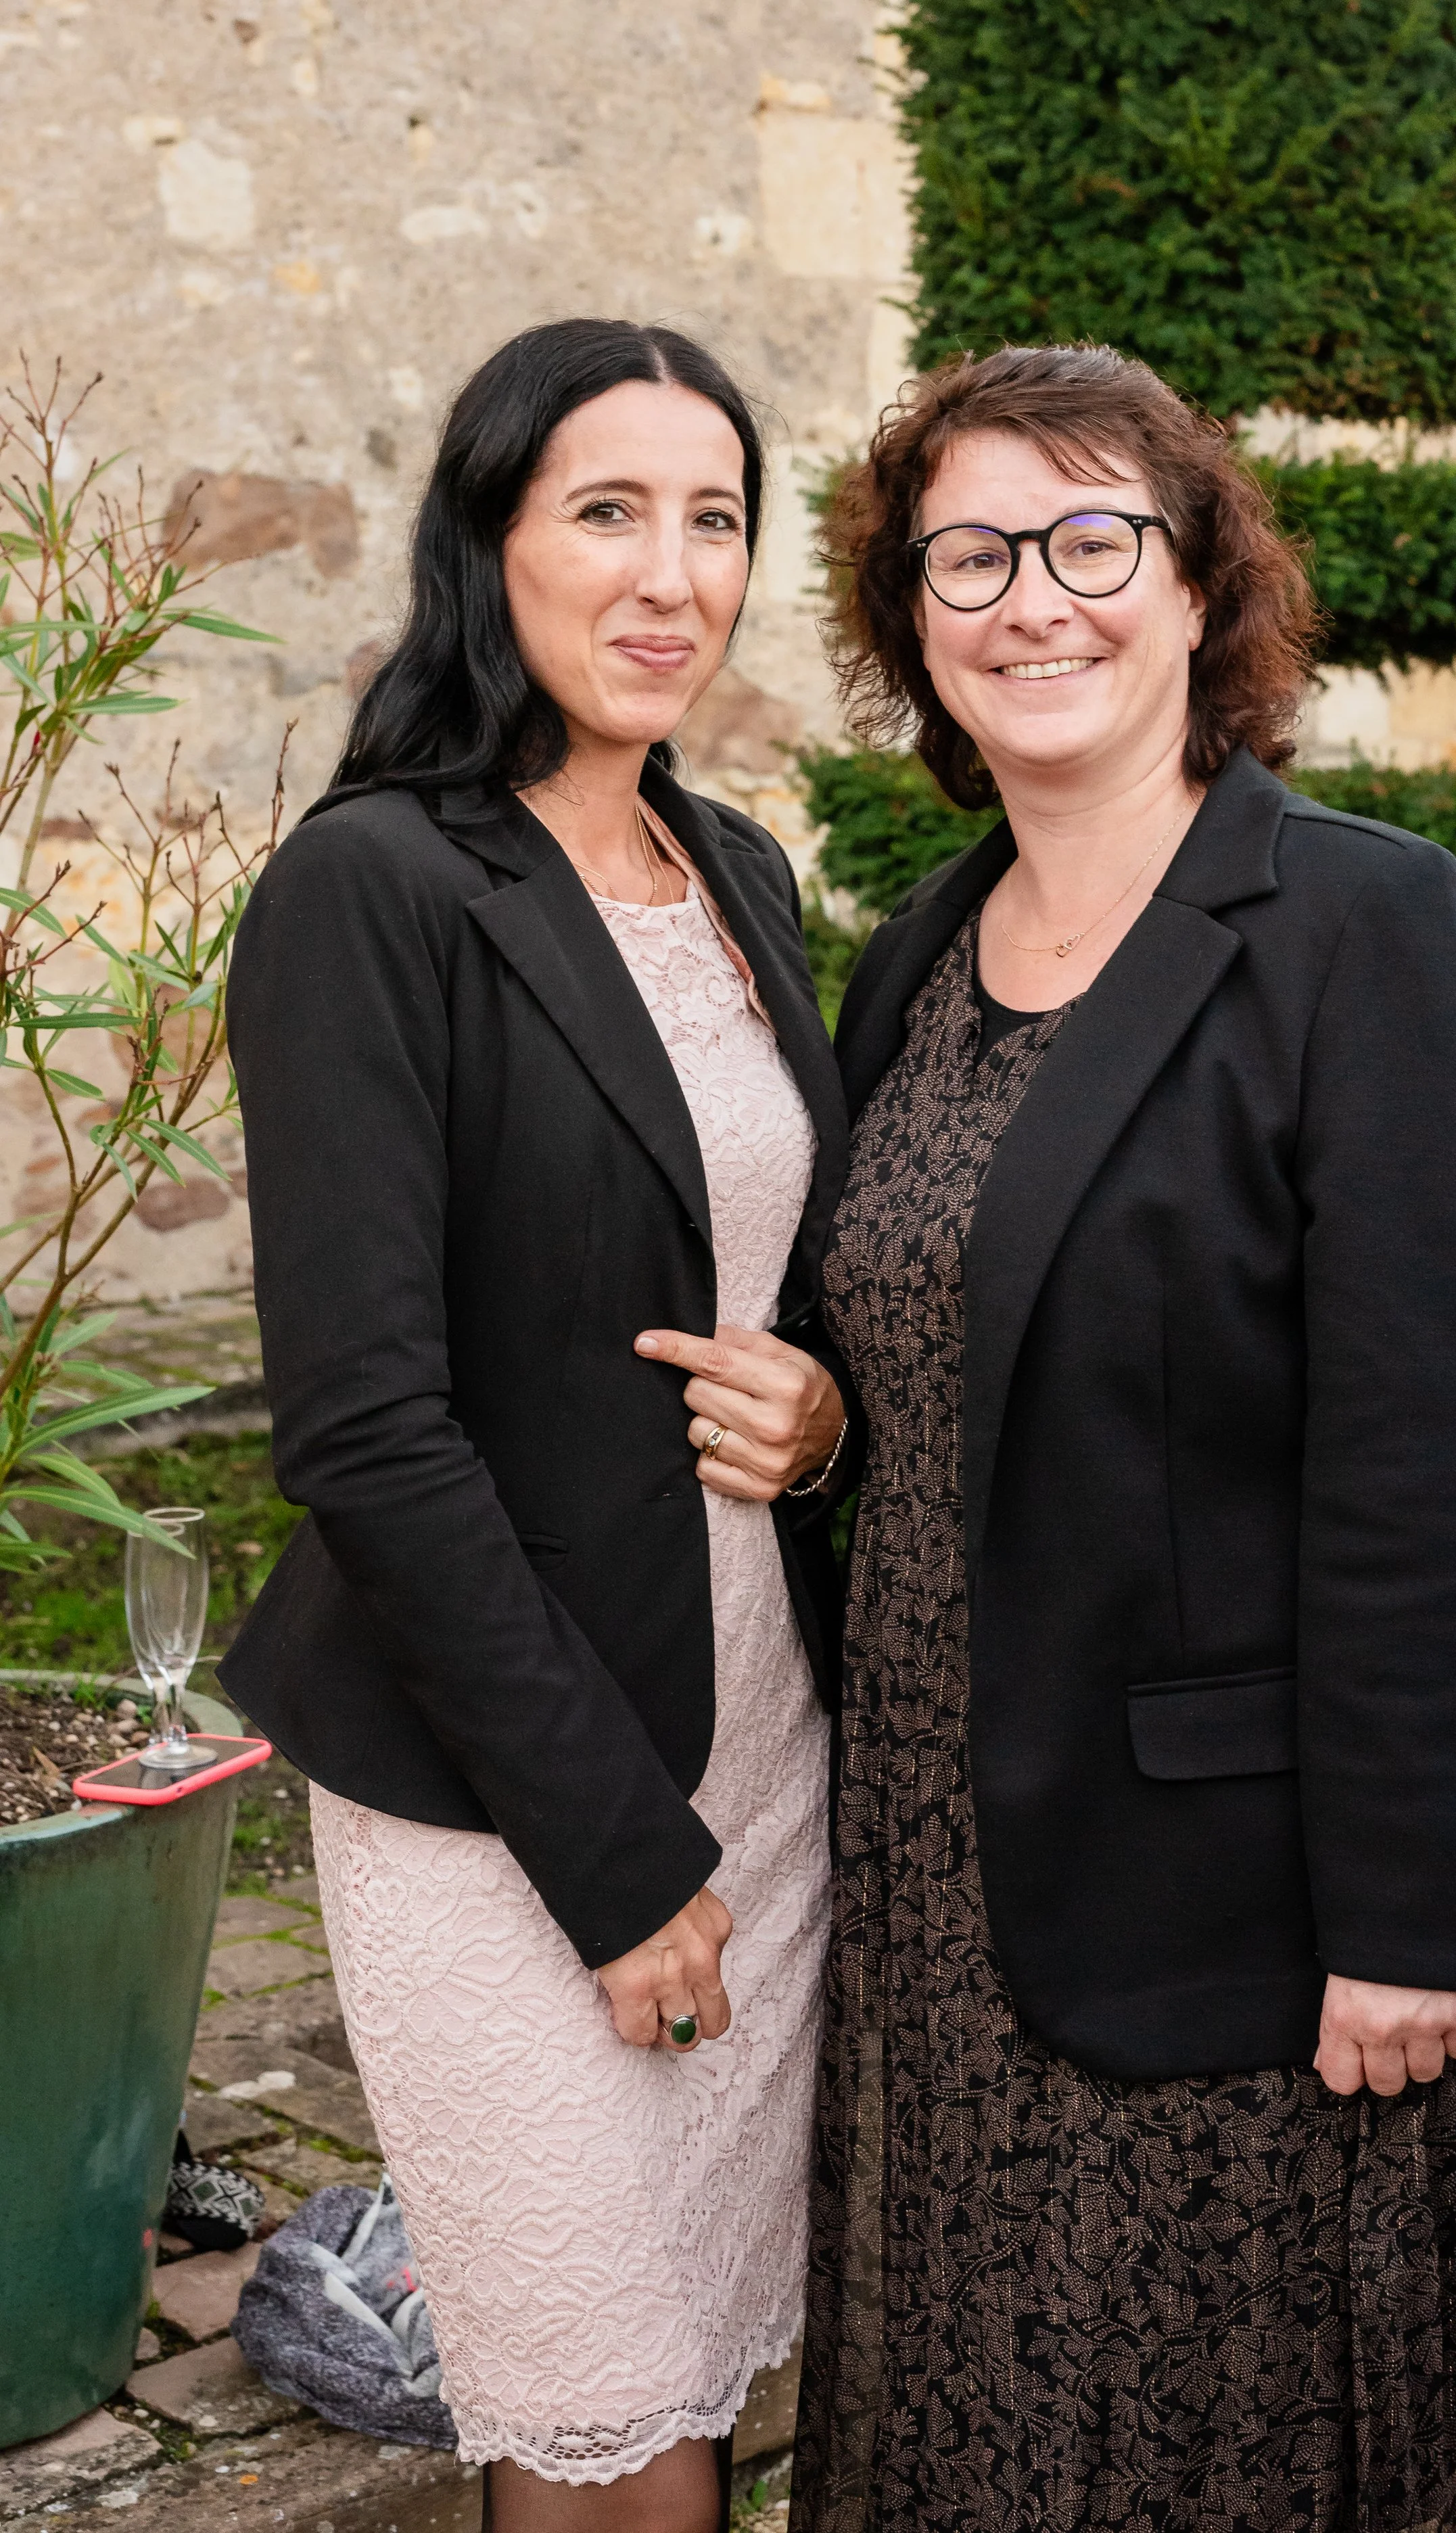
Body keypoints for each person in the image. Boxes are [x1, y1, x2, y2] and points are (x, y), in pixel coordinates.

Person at [791, 344, 1456, 2533]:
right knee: (978, 2440)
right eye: (970, 553)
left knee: (1221, 2458)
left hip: (1243, 1906)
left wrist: (1407, 1912)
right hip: (938, 1880)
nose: (1033, 597)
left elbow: (1425, 1459)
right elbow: (954, 1359)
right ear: (912, 623)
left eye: (1090, 537)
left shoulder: (1356, 926)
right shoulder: (913, 961)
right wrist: (827, 1421)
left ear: (1201, 584)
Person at [225, 319, 852, 2533]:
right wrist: (615, 1858)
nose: (670, 572)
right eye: (607, 510)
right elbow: (369, 1430)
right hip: (511, 1799)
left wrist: (826, 1407)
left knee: (691, 2374)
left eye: (713, 519)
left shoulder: (746, 878)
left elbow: (790, 1280)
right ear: (486, 544)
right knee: (600, 2417)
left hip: (769, 1751)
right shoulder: (373, 891)